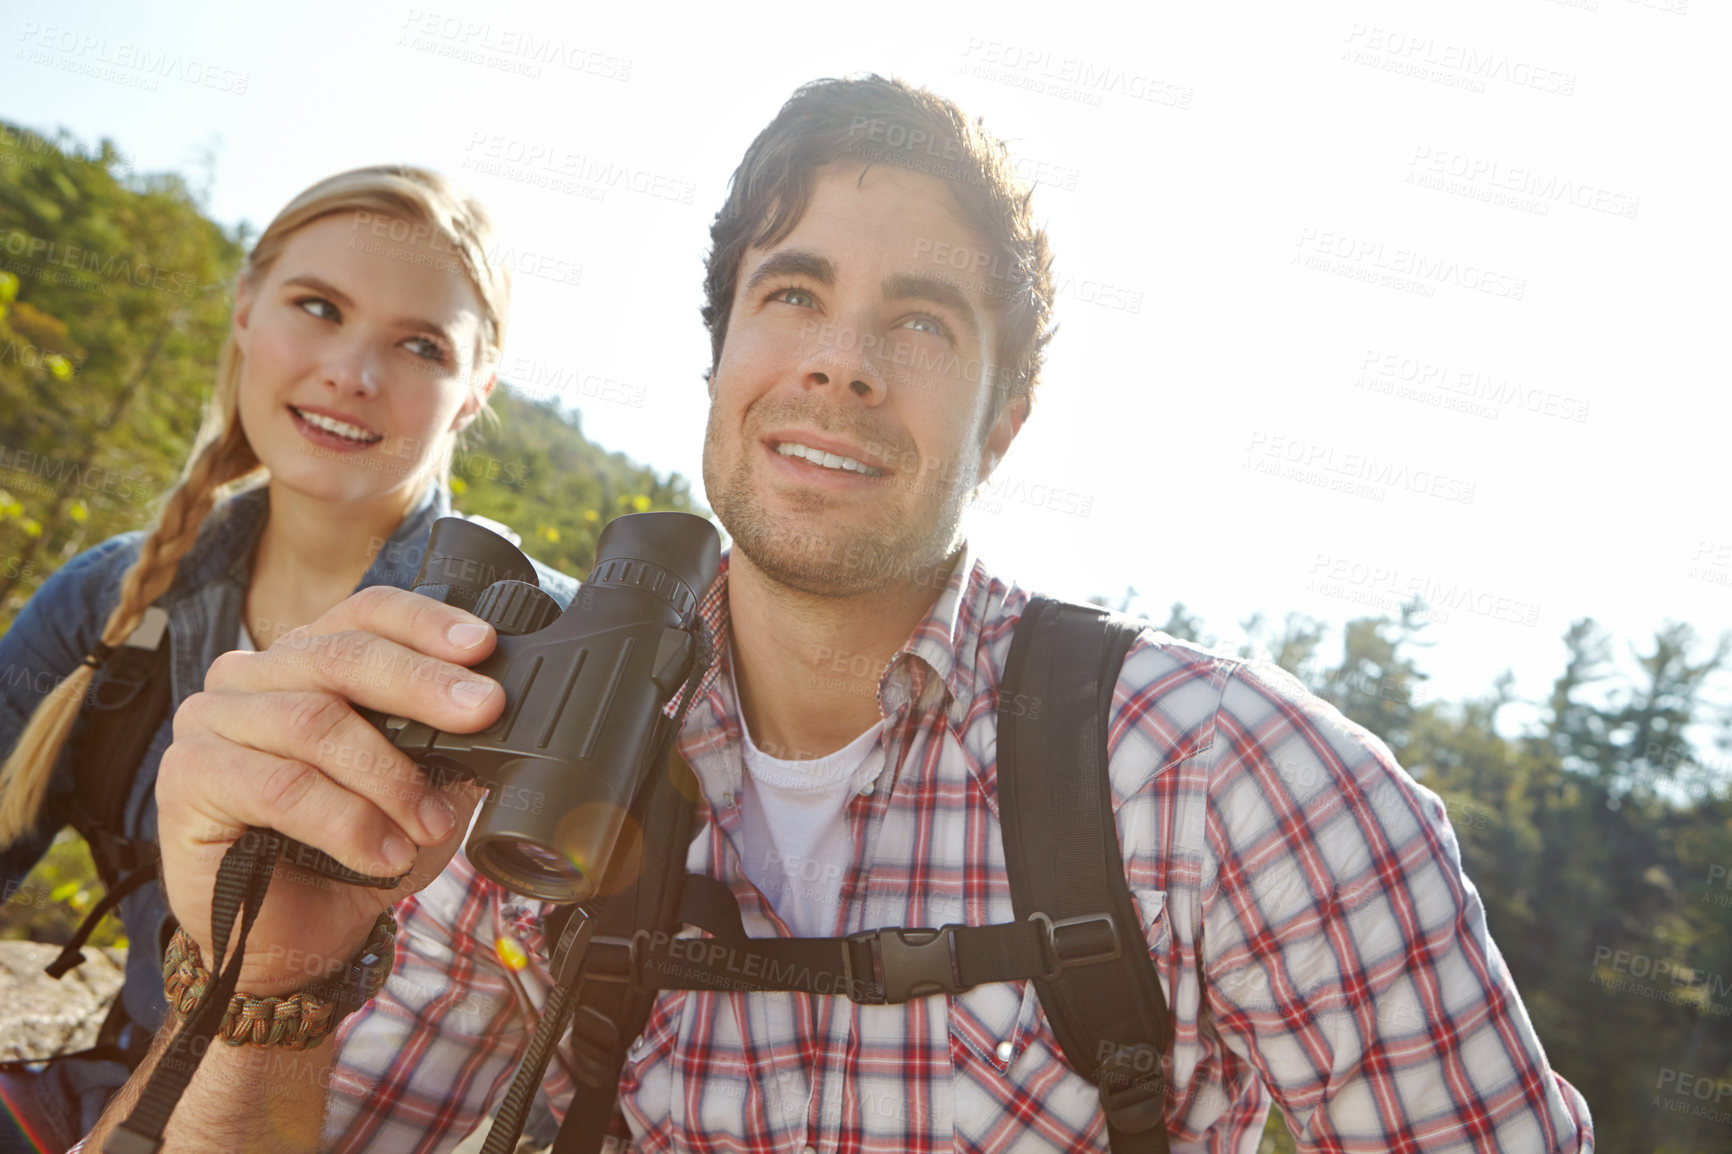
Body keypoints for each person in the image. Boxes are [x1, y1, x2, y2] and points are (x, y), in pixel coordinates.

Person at [83, 77, 1594, 1153]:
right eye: (791, 294)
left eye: (922, 322)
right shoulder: (536, 751)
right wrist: (271, 987)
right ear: (721, 355)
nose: (840, 363)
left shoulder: (1238, 782)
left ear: (1005, 420)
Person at [0, 164, 574, 1147]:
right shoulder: (107, 601)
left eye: (419, 345)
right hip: (94, 1105)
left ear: (472, 393)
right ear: (243, 309)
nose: (353, 371)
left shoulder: (534, 646)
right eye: (318, 307)